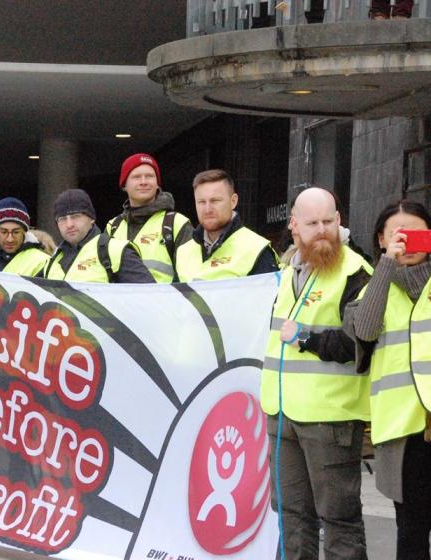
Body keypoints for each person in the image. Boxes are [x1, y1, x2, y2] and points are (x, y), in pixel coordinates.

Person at [261, 187, 372, 560]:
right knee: (292, 516)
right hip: (283, 412)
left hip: (330, 417)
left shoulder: (355, 270)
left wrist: (307, 338)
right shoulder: (286, 270)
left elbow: (358, 341)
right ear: (294, 225)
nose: (322, 230)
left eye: (329, 221)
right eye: (312, 223)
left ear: (340, 220)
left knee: (338, 520)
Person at [345, 200, 431, 560]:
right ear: (381, 239)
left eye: (415, 233)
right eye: (397, 235)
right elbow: (363, 331)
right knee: (410, 529)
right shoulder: (371, 290)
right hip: (401, 430)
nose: (406, 242)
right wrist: (385, 267)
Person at [175, 169, 278, 281]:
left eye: (215, 201)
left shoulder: (256, 249)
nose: (208, 209)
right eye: (201, 202)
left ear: (233, 201)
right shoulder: (183, 252)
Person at [106, 153, 192, 283]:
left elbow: (189, 278)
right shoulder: (113, 226)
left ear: (157, 183)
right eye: (136, 177)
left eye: (150, 176)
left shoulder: (177, 223)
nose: (143, 182)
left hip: (165, 302)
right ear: (124, 185)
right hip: (120, 303)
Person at [43, 188, 154, 283]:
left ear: (92, 218)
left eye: (76, 216)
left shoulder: (114, 251)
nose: (69, 224)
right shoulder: (52, 262)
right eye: (62, 219)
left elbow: (149, 297)